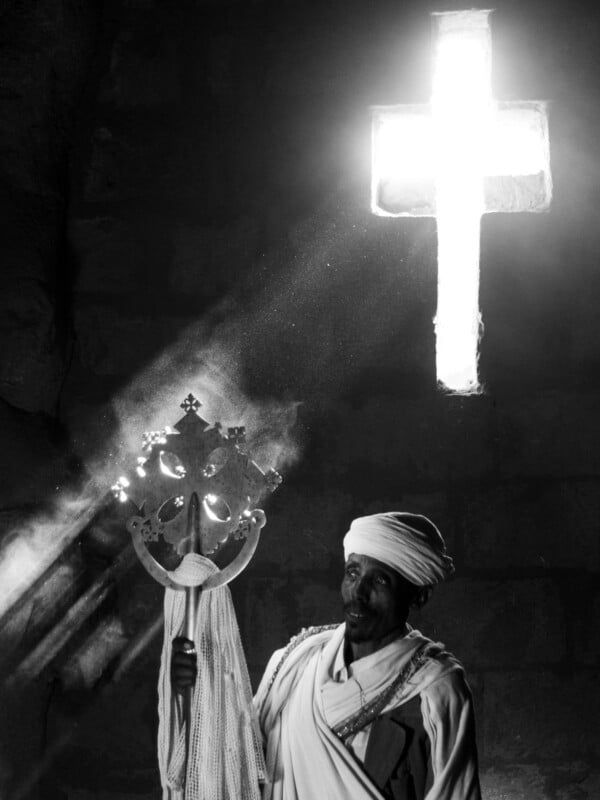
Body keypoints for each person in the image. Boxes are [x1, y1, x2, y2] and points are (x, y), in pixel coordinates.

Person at [172, 512, 481, 800]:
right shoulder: (295, 661)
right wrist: (199, 693)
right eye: (353, 573)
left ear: (418, 596)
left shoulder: (436, 689)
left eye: (379, 580)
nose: (358, 592)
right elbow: (239, 766)